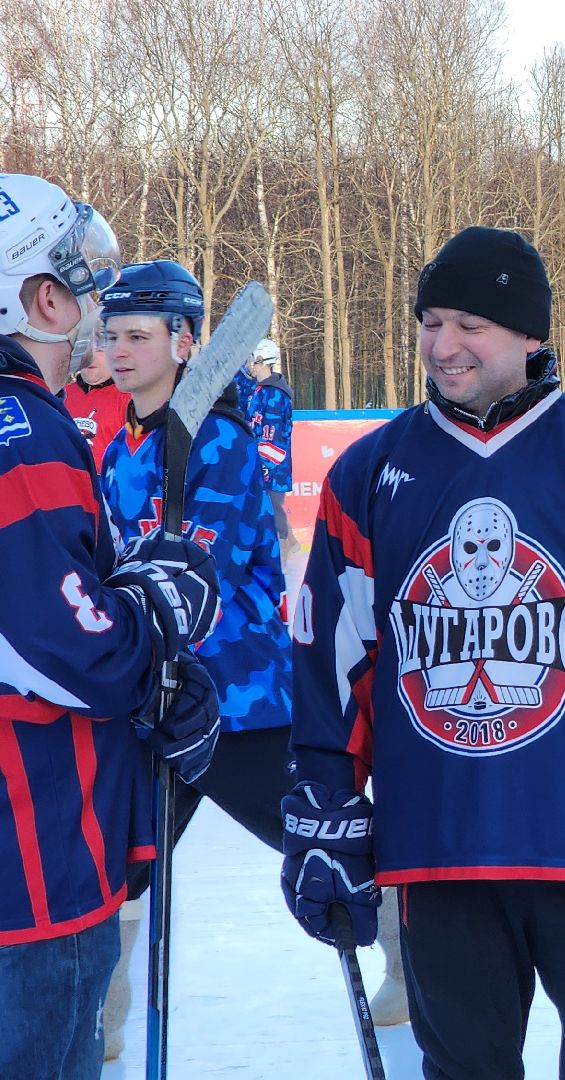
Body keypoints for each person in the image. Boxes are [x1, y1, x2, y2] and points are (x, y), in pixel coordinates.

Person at [283, 225, 565, 1080]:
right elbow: (331, 662)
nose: (442, 346)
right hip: (438, 852)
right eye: (431, 321)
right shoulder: (369, 474)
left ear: (530, 336)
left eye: (470, 325)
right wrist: (326, 803)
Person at [0, 172, 221, 1078]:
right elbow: (65, 650)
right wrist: (153, 623)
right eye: (85, 281)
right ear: (44, 299)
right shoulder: (20, 433)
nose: (99, 302)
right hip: (31, 867)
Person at [94, 259, 295, 1059]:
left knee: (319, 842)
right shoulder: (121, 449)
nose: (118, 351)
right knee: (120, 863)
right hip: (153, 700)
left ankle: (406, 955)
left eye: (137, 336)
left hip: (235, 700)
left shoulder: (219, 441)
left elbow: (198, 568)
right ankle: (101, 1017)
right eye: (110, 335)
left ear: (184, 341)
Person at [241, 338, 294, 542]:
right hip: (260, 465)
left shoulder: (275, 394)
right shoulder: (259, 389)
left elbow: (274, 437)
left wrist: (264, 467)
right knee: (262, 511)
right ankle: (287, 544)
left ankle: (283, 548)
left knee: (272, 511)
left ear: (261, 360)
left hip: (272, 470)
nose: (250, 364)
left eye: (253, 359)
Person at [64, 341, 130, 468]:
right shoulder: (61, 395)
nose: (90, 356)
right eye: (85, 348)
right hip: (67, 478)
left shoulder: (129, 398)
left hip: (106, 481)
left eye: (99, 350)